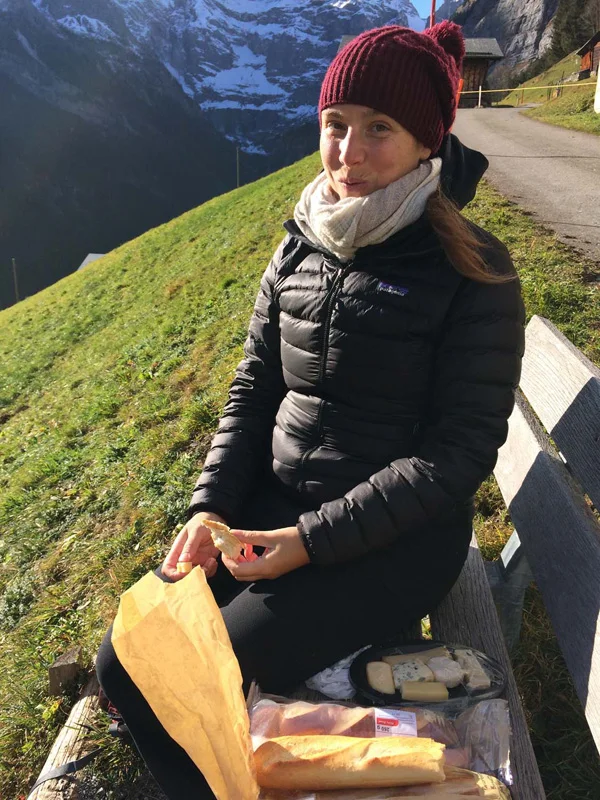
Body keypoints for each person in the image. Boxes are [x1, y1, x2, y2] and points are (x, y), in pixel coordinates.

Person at [96, 21, 525, 799]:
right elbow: (254, 386)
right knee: (124, 661)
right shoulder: (301, 241)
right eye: (336, 125)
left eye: (379, 129)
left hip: (396, 539)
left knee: (210, 668)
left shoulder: (473, 268)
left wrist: (309, 541)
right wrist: (209, 509)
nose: (348, 154)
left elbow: (457, 455)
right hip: (276, 509)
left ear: (426, 139)